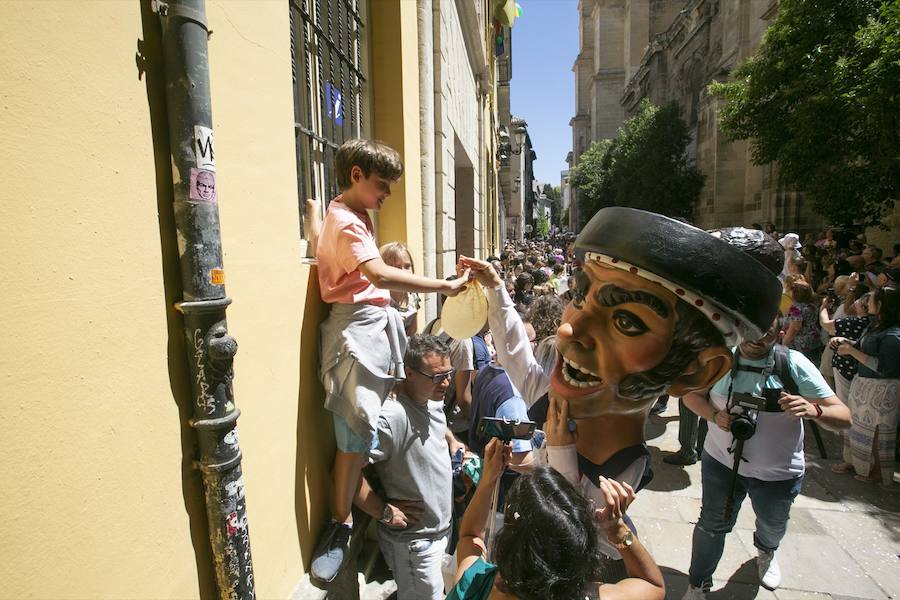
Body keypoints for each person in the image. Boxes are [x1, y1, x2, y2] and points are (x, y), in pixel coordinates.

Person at [461, 211, 787, 563]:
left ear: (695, 372)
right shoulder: (556, 403)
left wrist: (559, 452)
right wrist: (495, 288)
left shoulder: (623, 466)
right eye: (581, 297)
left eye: (626, 322)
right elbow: (517, 358)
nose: (568, 331)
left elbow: (569, 529)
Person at [312, 139, 469, 584]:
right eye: (382, 186)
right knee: (351, 444)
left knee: (359, 441)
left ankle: (352, 514)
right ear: (356, 175)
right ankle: (340, 527)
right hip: (357, 340)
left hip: (370, 337)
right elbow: (377, 275)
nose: (386, 196)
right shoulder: (345, 221)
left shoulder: (347, 214)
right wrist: (442, 286)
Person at [680, 318, 850, 598]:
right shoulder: (719, 360)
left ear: (779, 334)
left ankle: (767, 552)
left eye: (765, 334)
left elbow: (844, 416)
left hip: (778, 473)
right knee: (711, 524)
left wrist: (814, 410)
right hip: (721, 464)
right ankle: (698, 583)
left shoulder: (792, 364)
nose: (755, 340)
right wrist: (713, 414)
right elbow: (691, 396)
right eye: (750, 332)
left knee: (773, 524)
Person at [447, 439, 665, 600]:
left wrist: (488, 480)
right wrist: (617, 530)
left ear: (507, 544)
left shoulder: (474, 587)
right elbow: (652, 585)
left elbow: (470, 535)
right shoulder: (597, 597)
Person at [353, 335, 455, 600]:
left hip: (441, 532)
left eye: (448, 374)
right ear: (409, 373)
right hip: (416, 545)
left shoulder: (432, 398)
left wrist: (453, 443)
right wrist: (383, 511)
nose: (445, 383)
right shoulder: (392, 418)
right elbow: (346, 473)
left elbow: (436, 425)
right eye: (436, 376)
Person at [833, 286, 900, 487]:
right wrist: (846, 342)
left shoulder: (893, 335)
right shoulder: (876, 325)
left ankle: (878, 473)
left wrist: (851, 352)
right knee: (859, 429)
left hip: (882, 391)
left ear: (881, 305)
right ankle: (856, 464)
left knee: (877, 433)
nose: (865, 303)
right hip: (865, 387)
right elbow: (865, 347)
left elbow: (884, 367)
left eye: (870, 300)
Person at [380, 242, 421, 337]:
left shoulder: (412, 296)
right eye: (397, 267)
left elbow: (413, 331)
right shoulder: (381, 301)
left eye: (407, 266)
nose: (403, 272)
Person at [782, 278, 824, 364]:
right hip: (814, 340)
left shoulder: (796, 308)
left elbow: (795, 327)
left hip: (800, 345)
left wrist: (784, 343)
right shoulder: (812, 304)